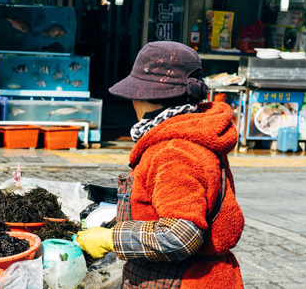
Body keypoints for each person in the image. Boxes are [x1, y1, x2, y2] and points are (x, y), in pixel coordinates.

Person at [76, 41, 244, 288]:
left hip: (182, 280)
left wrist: (111, 238)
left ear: (146, 97)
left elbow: (180, 236)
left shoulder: (173, 151)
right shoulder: (187, 134)